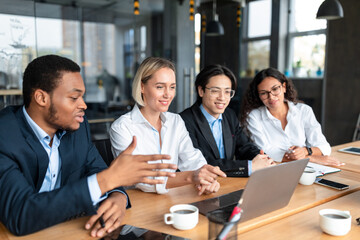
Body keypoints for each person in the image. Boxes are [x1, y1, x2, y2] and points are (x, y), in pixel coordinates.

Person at [0, 55, 178, 237]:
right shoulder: (4, 136)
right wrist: (110, 180)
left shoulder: (77, 127)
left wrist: (118, 197)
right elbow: (20, 215)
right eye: (74, 97)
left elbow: (98, 170)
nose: (83, 105)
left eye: (82, 97)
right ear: (41, 98)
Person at [110, 57, 226, 195]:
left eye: (172, 87)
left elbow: (192, 159)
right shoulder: (122, 127)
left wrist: (207, 178)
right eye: (160, 87)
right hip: (137, 204)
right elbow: (141, 179)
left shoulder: (175, 121)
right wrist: (191, 177)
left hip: (170, 199)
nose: (168, 94)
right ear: (142, 87)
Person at [180, 64, 274, 177]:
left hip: (227, 183)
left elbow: (244, 147)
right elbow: (204, 163)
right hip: (201, 185)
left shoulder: (229, 115)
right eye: (215, 91)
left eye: (227, 92)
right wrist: (250, 166)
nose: (222, 97)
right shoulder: (184, 121)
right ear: (201, 91)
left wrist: (263, 158)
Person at [240, 67, 343, 166]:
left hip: (305, 168)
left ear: (284, 87)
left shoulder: (304, 111)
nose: (271, 97)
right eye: (263, 93)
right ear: (258, 95)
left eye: (275, 89)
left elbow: (324, 147)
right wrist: (310, 158)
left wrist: (305, 151)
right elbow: (266, 152)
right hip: (273, 169)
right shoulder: (253, 117)